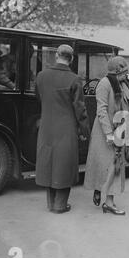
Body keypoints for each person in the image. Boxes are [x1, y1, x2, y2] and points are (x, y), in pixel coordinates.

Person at [35, 44, 90, 214]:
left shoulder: (41, 76)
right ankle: (60, 205)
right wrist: (85, 131)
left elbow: (38, 97)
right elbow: (80, 110)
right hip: (66, 129)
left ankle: (51, 204)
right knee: (64, 165)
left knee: (49, 163)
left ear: (56, 55)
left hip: (46, 127)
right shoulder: (74, 79)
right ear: (71, 59)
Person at [84, 56, 129, 216]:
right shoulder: (104, 85)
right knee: (109, 165)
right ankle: (109, 202)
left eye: (126, 73)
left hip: (120, 129)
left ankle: (104, 194)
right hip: (106, 132)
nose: (125, 76)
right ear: (115, 72)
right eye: (122, 73)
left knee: (114, 166)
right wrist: (108, 134)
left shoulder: (122, 83)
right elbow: (101, 111)